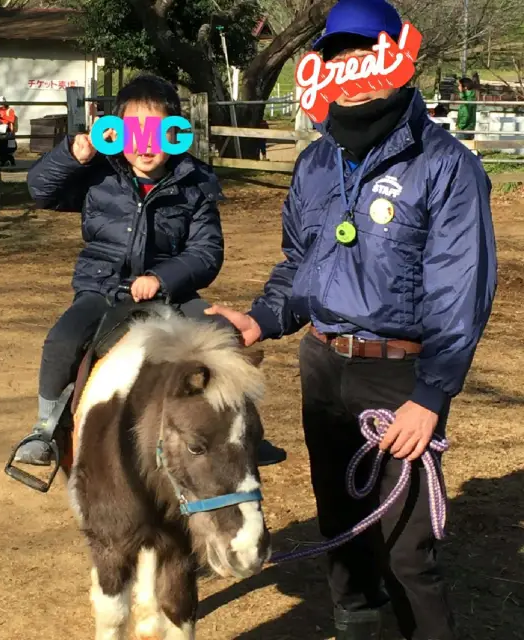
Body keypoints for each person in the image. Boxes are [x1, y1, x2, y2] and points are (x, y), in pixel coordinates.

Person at [205, 1, 497, 639]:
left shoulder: (446, 166)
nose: (355, 70)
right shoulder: (315, 164)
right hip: (323, 364)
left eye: (371, 54)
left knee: (404, 547)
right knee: (341, 529)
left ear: (400, 59)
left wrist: (431, 395)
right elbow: (299, 268)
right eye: (340, 57)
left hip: (401, 378)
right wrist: (260, 320)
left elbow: (460, 290)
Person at [13, 73, 286, 467]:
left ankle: (243, 429)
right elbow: (40, 190)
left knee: (225, 338)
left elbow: (207, 251)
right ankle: (46, 429)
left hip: (173, 293)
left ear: (175, 133)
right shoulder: (98, 174)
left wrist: (163, 278)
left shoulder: (195, 182)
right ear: (116, 133)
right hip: (102, 287)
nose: (146, 145)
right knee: (62, 339)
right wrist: (73, 155)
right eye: (133, 131)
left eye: (158, 131)